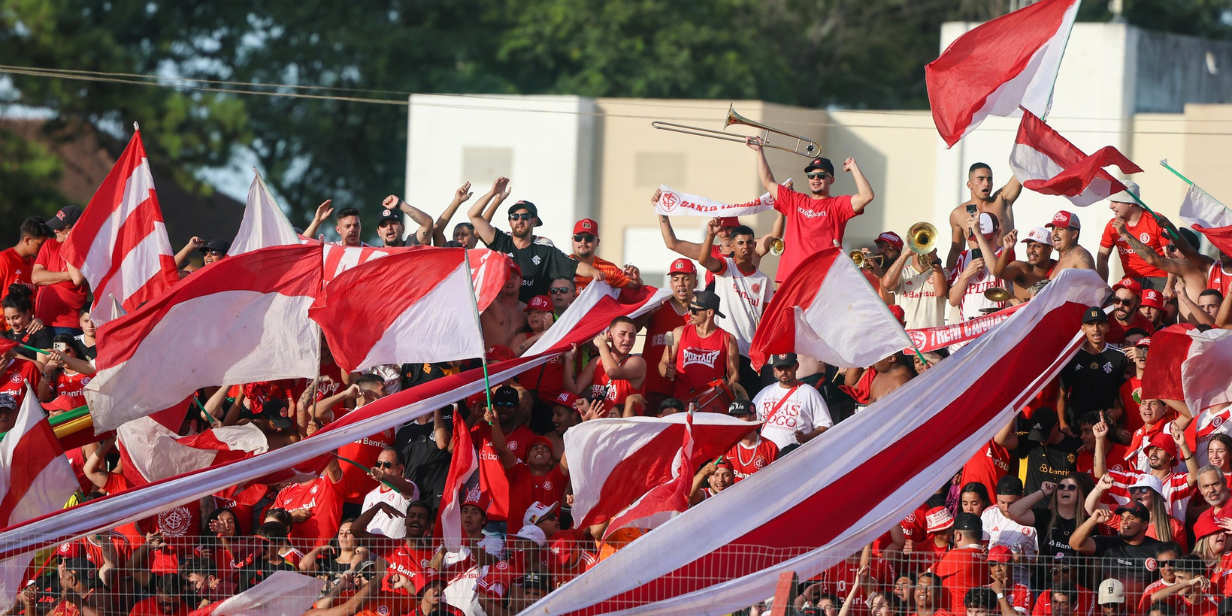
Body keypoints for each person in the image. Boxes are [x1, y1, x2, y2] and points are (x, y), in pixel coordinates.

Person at [748, 142, 875, 284]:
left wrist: (853, 166)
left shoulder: (837, 205)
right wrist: (759, 151)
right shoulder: (795, 200)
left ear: (831, 180)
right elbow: (767, 182)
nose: (815, 179)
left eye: (821, 175)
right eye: (811, 175)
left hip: (821, 280)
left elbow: (866, 196)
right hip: (789, 278)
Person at [468, 177, 603, 301]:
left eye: (525, 217)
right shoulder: (501, 240)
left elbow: (574, 266)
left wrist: (594, 272)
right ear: (510, 221)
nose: (519, 220)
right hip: (501, 314)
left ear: (534, 221)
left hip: (532, 315)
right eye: (514, 217)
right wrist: (493, 194)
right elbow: (473, 215)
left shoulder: (544, 248)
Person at [696, 220, 774, 378]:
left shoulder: (763, 280)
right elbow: (704, 260)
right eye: (740, 243)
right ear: (732, 246)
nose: (746, 246)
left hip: (748, 353)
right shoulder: (726, 266)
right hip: (721, 349)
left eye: (750, 242)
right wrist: (710, 235)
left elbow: (767, 319)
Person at [660, 290, 738, 403]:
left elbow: (734, 375)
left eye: (694, 310)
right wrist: (666, 370)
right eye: (689, 308)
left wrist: (729, 386)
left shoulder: (728, 339)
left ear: (710, 312)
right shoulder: (679, 332)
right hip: (682, 402)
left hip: (712, 403)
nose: (690, 313)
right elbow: (663, 363)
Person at [1069, 502, 1164, 596]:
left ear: (1144, 524)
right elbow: (1075, 544)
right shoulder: (1108, 543)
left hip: (1144, 609)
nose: (1124, 521)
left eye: (1131, 518)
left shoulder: (1159, 549)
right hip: (1111, 609)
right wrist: (1093, 520)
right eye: (1122, 518)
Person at [1057, 307, 1126, 433]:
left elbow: (1120, 393)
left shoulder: (1119, 357)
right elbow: (1062, 393)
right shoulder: (1071, 357)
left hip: (1106, 426)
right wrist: (1063, 423)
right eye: (1090, 325)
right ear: (1083, 328)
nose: (1096, 329)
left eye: (1100, 324)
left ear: (1107, 327)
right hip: (1076, 425)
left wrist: (1119, 412)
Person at [565, 317, 647, 417]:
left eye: (632, 335)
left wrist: (602, 345)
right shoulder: (596, 362)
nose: (628, 339)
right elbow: (574, 390)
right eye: (622, 334)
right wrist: (568, 359)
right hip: (599, 425)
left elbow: (612, 372)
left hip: (625, 428)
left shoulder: (638, 362)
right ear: (609, 335)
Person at [945, 163, 1022, 269]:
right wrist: (949, 277)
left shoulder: (1001, 200)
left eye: (989, 179)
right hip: (978, 273)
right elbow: (956, 250)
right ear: (969, 184)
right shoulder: (958, 214)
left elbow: (1021, 173)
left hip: (1005, 270)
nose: (986, 183)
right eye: (980, 179)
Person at [642, 258, 696, 409]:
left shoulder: (702, 313)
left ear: (695, 283)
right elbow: (634, 327)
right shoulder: (658, 305)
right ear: (670, 283)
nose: (681, 283)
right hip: (653, 386)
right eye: (676, 279)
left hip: (685, 390)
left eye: (686, 278)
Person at [752, 353, 833, 450]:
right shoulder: (765, 392)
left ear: (796, 366)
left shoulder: (810, 392)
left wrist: (806, 438)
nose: (784, 372)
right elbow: (750, 420)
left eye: (788, 367)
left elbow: (825, 426)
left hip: (796, 457)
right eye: (780, 368)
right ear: (774, 369)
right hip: (766, 456)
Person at [1098, 182, 1169, 288]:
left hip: (1160, 279)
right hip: (1130, 280)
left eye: (1116, 201)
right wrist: (1102, 287)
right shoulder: (1112, 225)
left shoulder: (1156, 220)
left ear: (1130, 202)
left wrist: (1169, 287)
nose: (1111, 206)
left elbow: (1171, 258)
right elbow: (1102, 257)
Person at [32, 205, 87, 335]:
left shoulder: (85, 249)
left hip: (69, 323)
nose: (55, 230)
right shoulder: (50, 245)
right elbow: (36, 277)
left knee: (63, 355)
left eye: (61, 228)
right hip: (42, 322)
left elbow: (78, 279)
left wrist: (69, 245)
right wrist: (69, 275)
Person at [1005, 408, 1083, 494]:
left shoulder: (1075, 445)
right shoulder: (1030, 442)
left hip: (1062, 505)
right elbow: (1001, 440)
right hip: (1033, 505)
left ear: (1056, 426)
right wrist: (1015, 410)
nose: (1040, 439)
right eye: (1037, 433)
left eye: (1044, 434)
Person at [949, 213, 1008, 322]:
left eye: (987, 240)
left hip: (995, 324)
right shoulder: (964, 256)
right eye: (976, 240)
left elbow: (996, 270)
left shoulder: (1005, 253)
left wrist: (979, 235)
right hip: (969, 326)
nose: (980, 244)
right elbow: (953, 300)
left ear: (998, 233)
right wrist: (965, 275)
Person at [881, 235, 949, 329]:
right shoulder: (903, 273)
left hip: (934, 338)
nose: (923, 251)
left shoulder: (942, 272)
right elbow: (887, 284)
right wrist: (905, 254)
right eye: (919, 247)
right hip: (908, 336)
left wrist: (935, 260)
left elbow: (940, 292)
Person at [0, 217, 52, 333]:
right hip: (4, 334)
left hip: (27, 335)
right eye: (41, 244)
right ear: (27, 240)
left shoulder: (37, 266)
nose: (44, 249)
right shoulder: (3, 260)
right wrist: (9, 321)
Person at [934, 513, 990, 613]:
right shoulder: (989, 557)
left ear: (958, 535)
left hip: (955, 613)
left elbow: (930, 577)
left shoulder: (956, 555)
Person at [569, 218, 640, 291]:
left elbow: (633, 286)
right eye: (578, 238)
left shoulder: (609, 269)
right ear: (572, 240)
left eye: (589, 238)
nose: (583, 241)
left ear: (598, 242)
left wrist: (635, 279)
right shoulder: (561, 264)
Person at [989, 228, 1056, 303]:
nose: (1031, 250)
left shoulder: (1057, 268)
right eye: (1029, 246)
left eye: (1036, 246)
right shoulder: (1022, 268)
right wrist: (1007, 249)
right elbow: (998, 273)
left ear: (1049, 249)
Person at [1145, 555, 1220, 616]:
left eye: (1181, 577)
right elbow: (1154, 598)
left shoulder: (1215, 604)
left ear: (1197, 579)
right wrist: (1188, 583)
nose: (1176, 581)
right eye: (1176, 577)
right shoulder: (1175, 598)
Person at [724, 400, 778, 481]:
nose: (735, 420)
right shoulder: (726, 445)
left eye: (740, 416)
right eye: (732, 417)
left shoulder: (770, 447)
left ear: (754, 418)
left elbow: (776, 479)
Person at [480, 261, 527, 349]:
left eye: (513, 277)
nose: (509, 281)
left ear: (521, 281)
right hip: (492, 361)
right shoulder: (488, 304)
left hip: (519, 361)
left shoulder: (527, 310)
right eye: (505, 277)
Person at [3, 285, 54, 363]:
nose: (12, 323)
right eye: (7, 318)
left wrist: (14, 355)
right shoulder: (2, 336)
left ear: (27, 312)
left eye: (16, 318)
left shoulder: (39, 334)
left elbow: (42, 367)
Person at [1047, 212, 1096, 278]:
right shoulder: (1063, 257)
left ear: (1074, 234)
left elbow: (1091, 286)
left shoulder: (1079, 257)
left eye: (1060, 229)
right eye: (1053, 229)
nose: (1054, 233)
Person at [1106, 278, 1155, 343]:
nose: (1120, 306)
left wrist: (1141, 353)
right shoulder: (1103, 321)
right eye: (1116, 300)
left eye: (1126, 302)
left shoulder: (1146, 326)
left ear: (1138, 303)